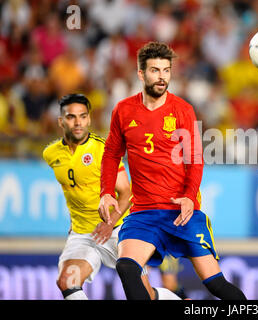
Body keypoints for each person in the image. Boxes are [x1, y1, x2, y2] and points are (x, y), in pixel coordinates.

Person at [98, 41, 246, 300]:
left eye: (166, 70)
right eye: (155, 70)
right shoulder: (123, 110)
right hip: (144, 212)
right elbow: (111, 153)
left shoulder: (182, 110)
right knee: (126, 266)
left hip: (181, 212)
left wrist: (189, 195)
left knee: (216, 285)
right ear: (141, 74)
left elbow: (195, 158)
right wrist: (106, 191)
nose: (162, 77)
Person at [43, 93, 181, 300]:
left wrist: (109, 224)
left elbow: (127, 192)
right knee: (67, 282)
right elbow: (75, 191)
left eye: (83, 116)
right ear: (61, 121)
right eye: (71, 117)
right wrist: (75, 221)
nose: (78, 122)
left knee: (146, 295)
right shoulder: (51, 154)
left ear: (89, 119)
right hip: (83, 234)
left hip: (118, 231)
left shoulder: (103, 150)